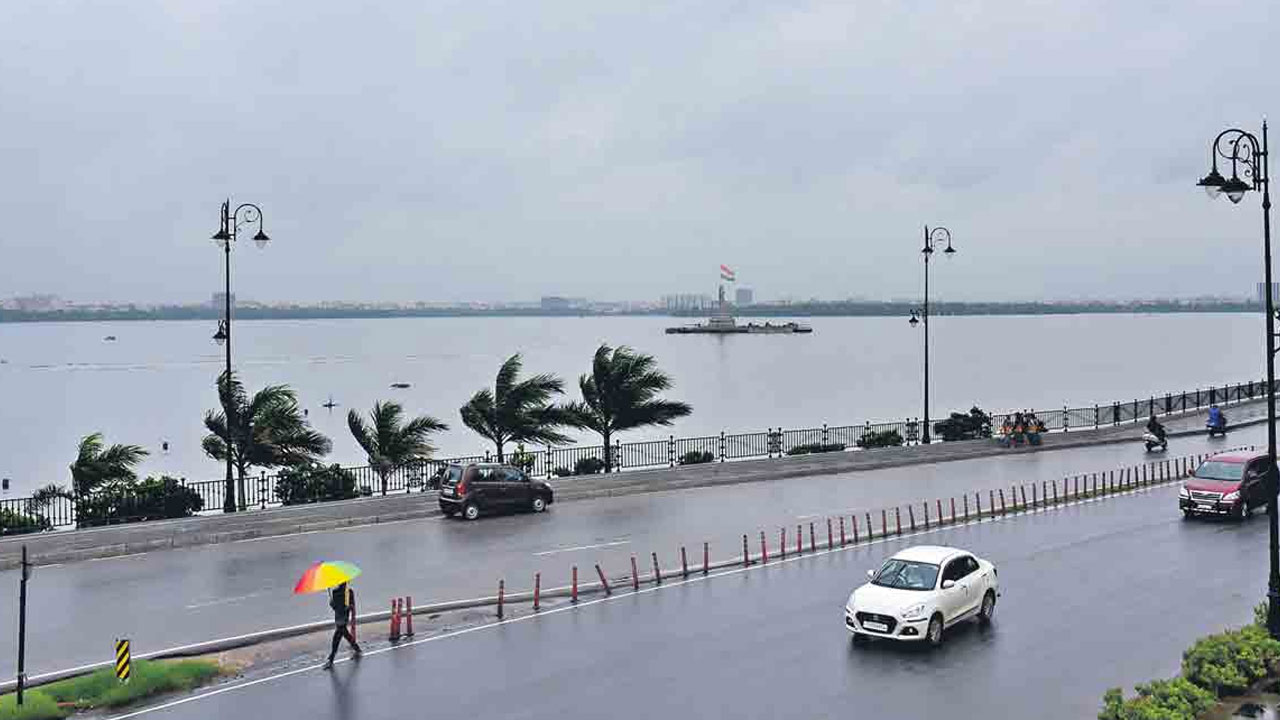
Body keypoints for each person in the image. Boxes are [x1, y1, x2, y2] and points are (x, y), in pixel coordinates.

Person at [324, 582, 362, 670]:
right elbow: (336, 607)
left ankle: (331, 659)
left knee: (336, 638)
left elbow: (350, 606)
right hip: (340, 618)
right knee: (346, 635)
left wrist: (346, 607)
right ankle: (357, 649)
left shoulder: (347, 592)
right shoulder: (339, 592)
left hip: (342, 619)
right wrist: (332, 604)